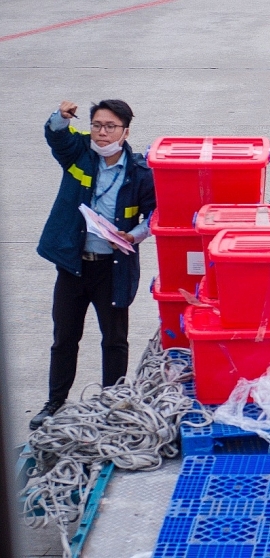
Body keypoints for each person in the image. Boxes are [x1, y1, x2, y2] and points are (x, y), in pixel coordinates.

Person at [30, 99, 156, 430]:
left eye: (110, 127)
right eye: (97, 125)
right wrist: (60, 116)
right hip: (74, 265)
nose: (102, 133)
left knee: (114, 339)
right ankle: (55, 402)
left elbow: (156, 212)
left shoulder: (140, 172)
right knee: (65, 337)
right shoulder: (80, 155)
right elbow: (57, 136)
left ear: (126, 131)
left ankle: (111, 405)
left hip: (112, 268)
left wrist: (135, 236)